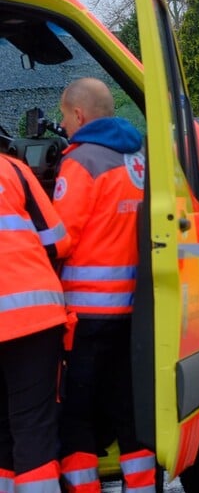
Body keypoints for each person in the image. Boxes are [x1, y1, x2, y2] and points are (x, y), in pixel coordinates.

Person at [53, 78, 155, 493]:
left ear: (78, 114)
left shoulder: (81, 161)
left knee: (76, 414)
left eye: (64, 116)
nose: (64, 124)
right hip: (133, 313)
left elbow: (62, 237)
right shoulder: (140, 159)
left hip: (85, 317)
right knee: (128, 410)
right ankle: (143, 486)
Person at [0, 152, 71, 493]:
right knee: (32, 425)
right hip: (31, 316)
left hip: (26, 317)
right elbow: (58, 241)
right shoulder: (12, 169)